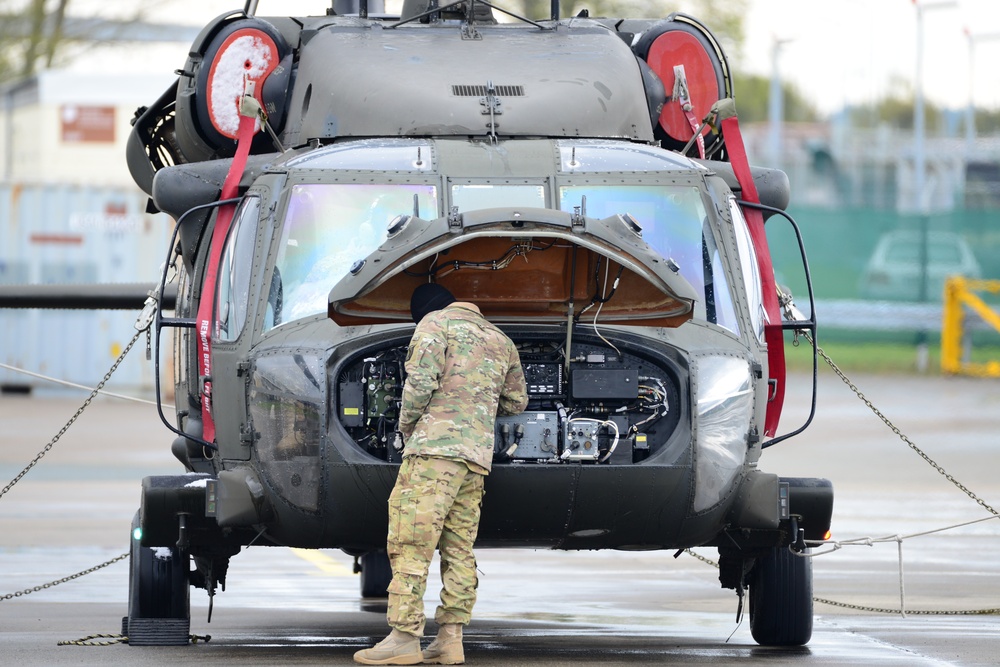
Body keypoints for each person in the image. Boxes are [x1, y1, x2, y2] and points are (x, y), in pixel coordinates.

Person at [354, 283, 528, 666]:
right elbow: (517, 401)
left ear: (425, 309)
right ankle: (450, 640)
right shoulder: (500, 339)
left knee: (410, 542)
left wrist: (405, 427)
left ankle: (403, 638)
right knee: (459, 550)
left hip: (434, 451)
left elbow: (420, 383)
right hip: (476, 459)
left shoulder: (435, 324)